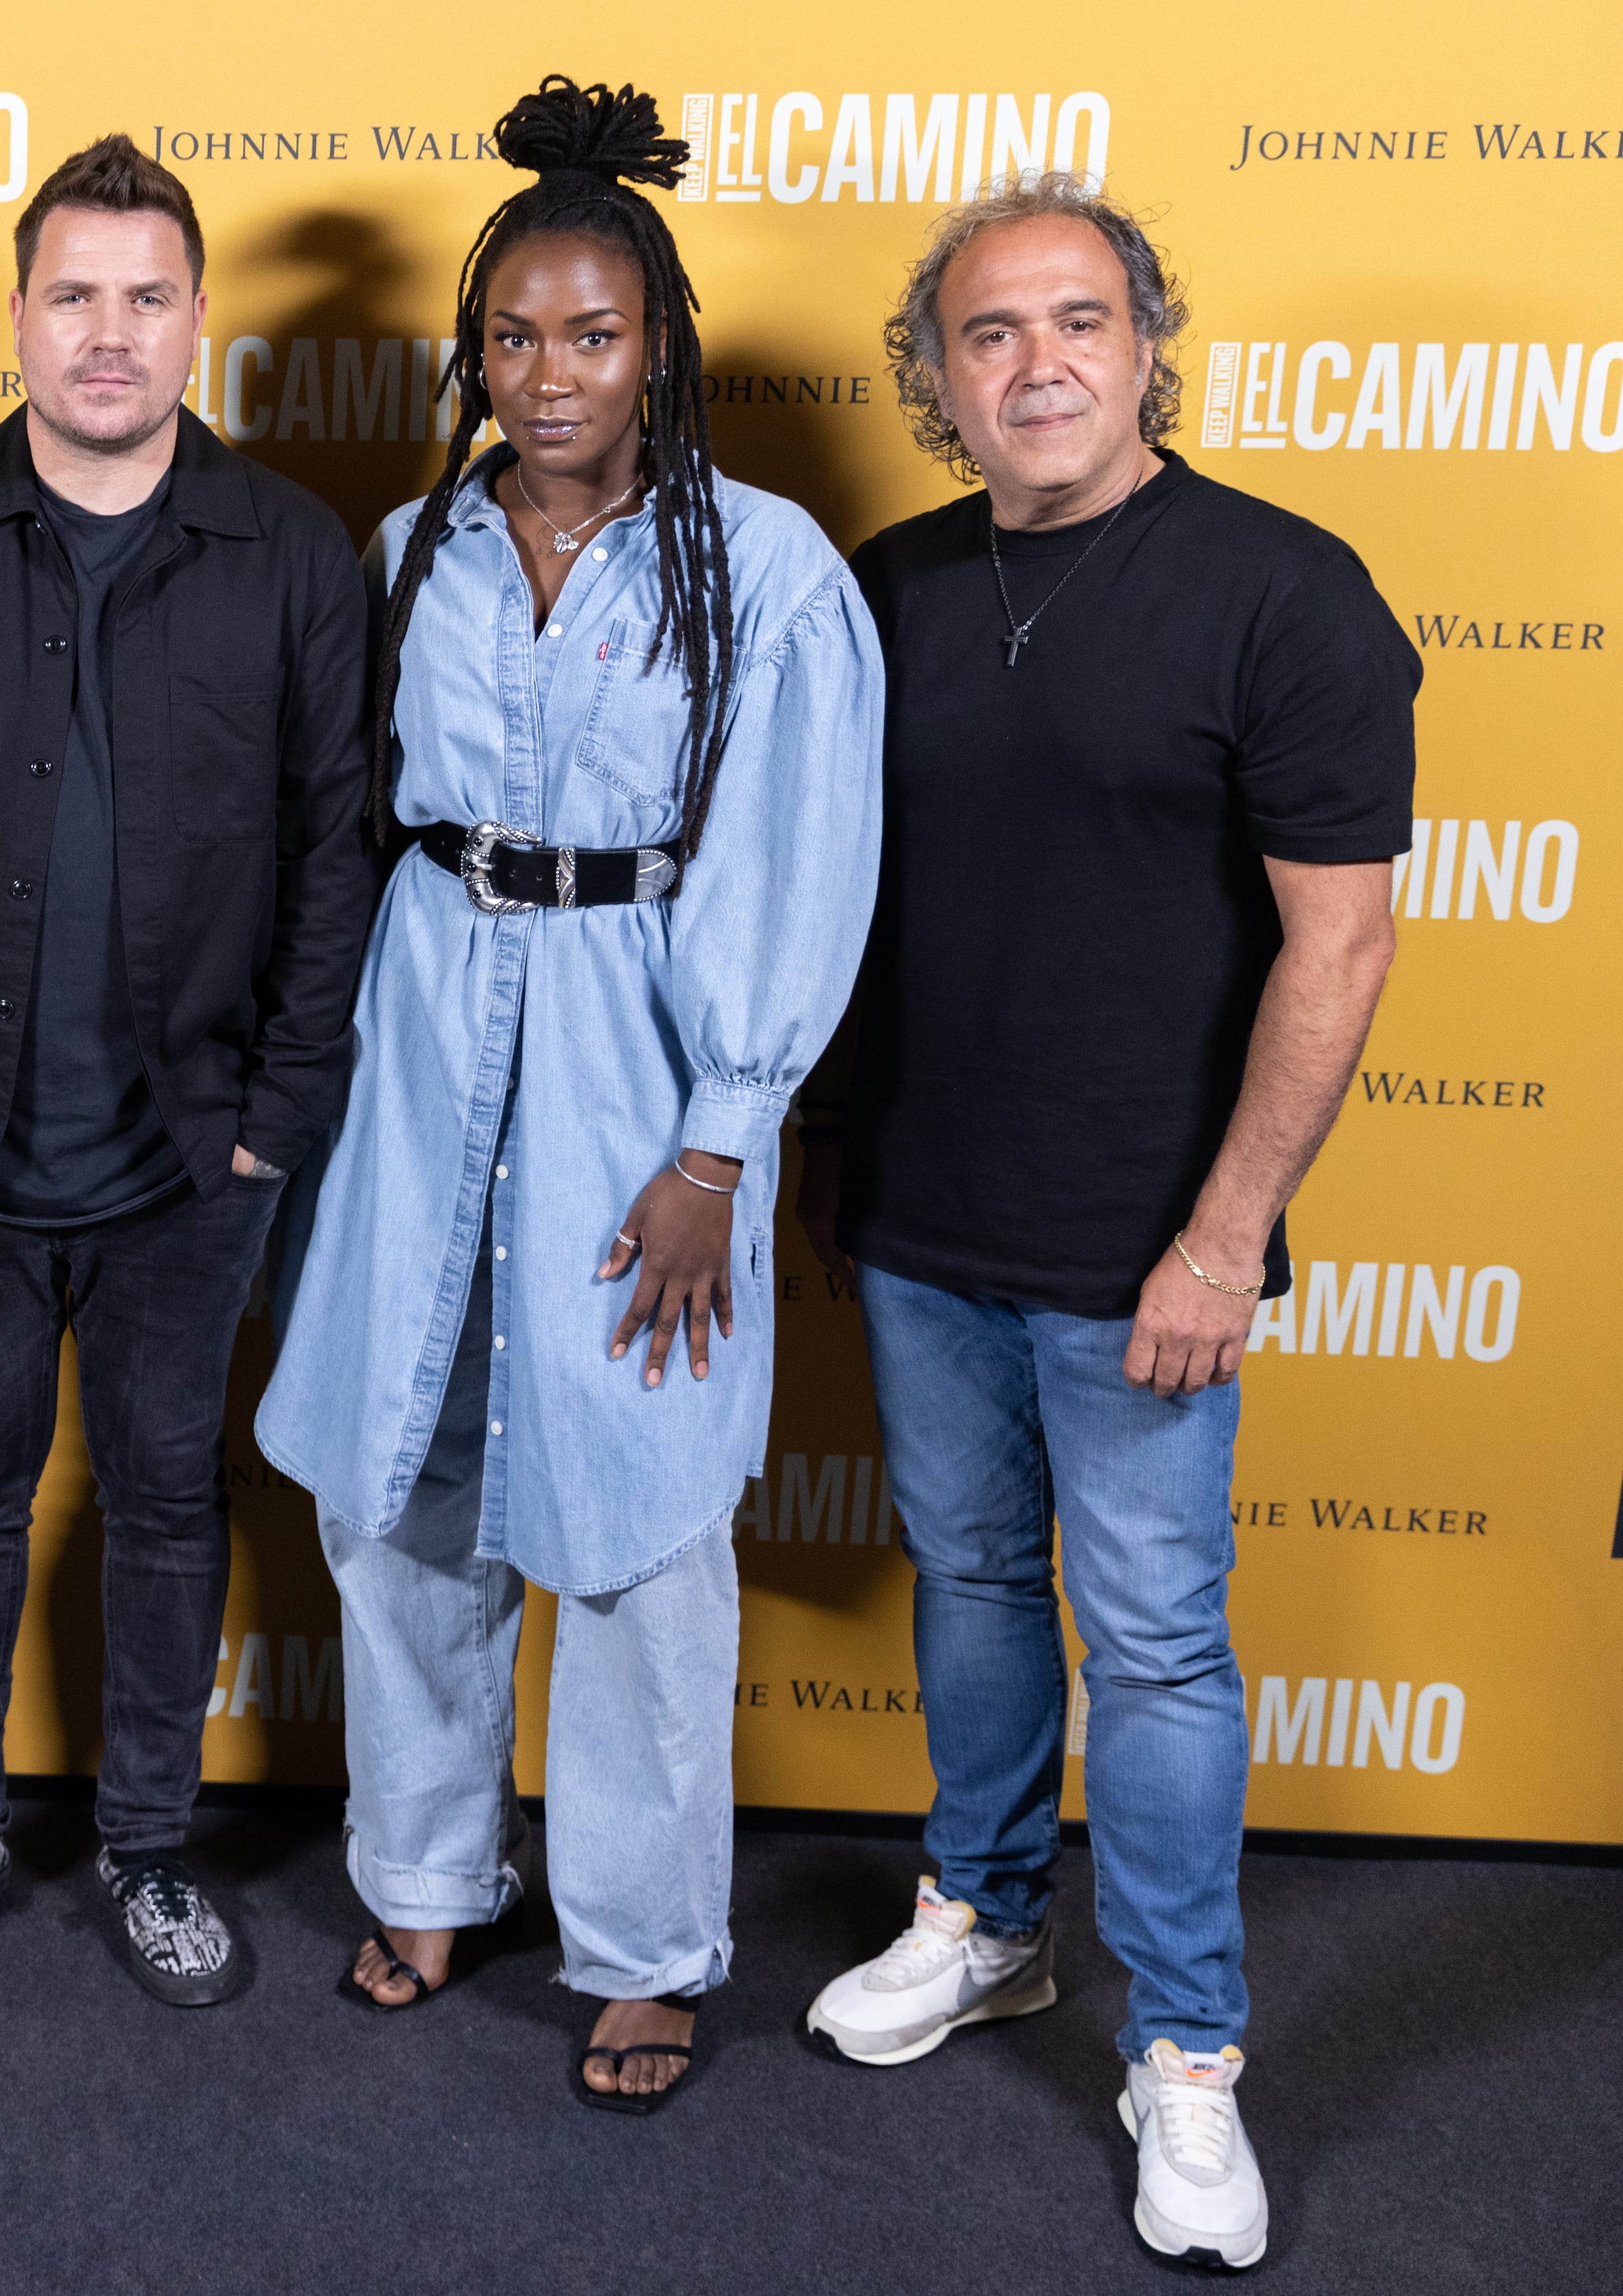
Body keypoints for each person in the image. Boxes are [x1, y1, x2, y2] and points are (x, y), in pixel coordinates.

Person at [796, 174, 1408, 2268]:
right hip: (922, 1220)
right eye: (990, 334)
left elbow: (1341, 948)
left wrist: (1229, 1235)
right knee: (969, 1581)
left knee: (1150, 1643)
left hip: (1154, 1245)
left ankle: (1194, 2058)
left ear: (1149, 342)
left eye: (1077, 322)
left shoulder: (1284, 592)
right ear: (939, 379)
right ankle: (985, 1922)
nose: (1036, 362)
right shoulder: (879, 589)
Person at [254, 78, 883, 2113]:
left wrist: (724, 1141)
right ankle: (431, 1871)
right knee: (406, 1489)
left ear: (664, 348)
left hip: (642, 1073)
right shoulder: (410, 541)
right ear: (474, 355)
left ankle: (637, 1946)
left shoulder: (765, 574)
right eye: (513, 338)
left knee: (630, 1535)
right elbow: (359, 828)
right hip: (426, 1050)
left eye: (593, 335)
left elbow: (796, 869)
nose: (549, 377)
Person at [0, 135, 375, 2007]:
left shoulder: (290, 554)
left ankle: (144, 1849)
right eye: (73, 296)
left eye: (145, 298)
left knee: (170, 1501)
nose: (108, 336)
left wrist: (281, 1125)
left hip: (197, 1164)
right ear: (16, 315)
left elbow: (336, 849)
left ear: (202, 318)